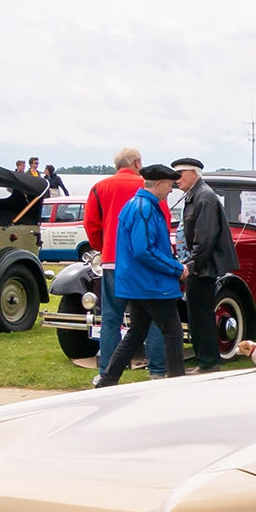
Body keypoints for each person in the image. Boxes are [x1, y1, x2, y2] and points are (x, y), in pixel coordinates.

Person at [94, 165, 187, 386]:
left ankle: (108, 379)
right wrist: (176, 268)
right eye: (169, 185)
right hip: (150, 284)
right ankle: (178, 382)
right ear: (158, 184)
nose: (171, 190)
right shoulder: (145, 209)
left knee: (136, 332)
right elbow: (144, 250)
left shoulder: (136, 205)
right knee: (172, 332)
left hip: (138, 283)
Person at [83, 147, 169, 378]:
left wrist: (104, 247)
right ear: (137, 162)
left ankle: (107, 371)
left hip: (112, 260)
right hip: (143, 262)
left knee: (111, 318)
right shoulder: (147, 187)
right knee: (152, 316)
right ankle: (157, 369)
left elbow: (91, 224)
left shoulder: (100, 188)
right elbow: (164, 220)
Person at [172, 156, 238, 373]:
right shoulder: (196, 196)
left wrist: (192, 265)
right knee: (196, 315)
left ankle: (208, 362)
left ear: (193, 173)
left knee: (201, 316)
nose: (176, 180)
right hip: (198, 266)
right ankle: (205, 360)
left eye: (179, 174)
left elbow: (205, 238)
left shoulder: (204, 198)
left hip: (202, 268)